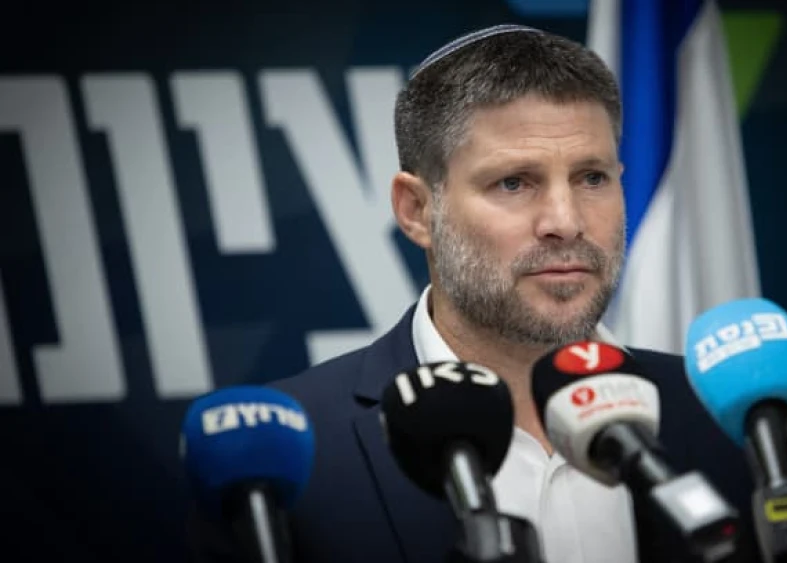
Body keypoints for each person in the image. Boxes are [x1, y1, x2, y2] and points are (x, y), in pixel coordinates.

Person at [189, 24, 757, 563]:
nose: (566, 221)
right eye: (513, 182)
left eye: (592, 178)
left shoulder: (725, 416)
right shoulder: (288, 454)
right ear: (417, 211)